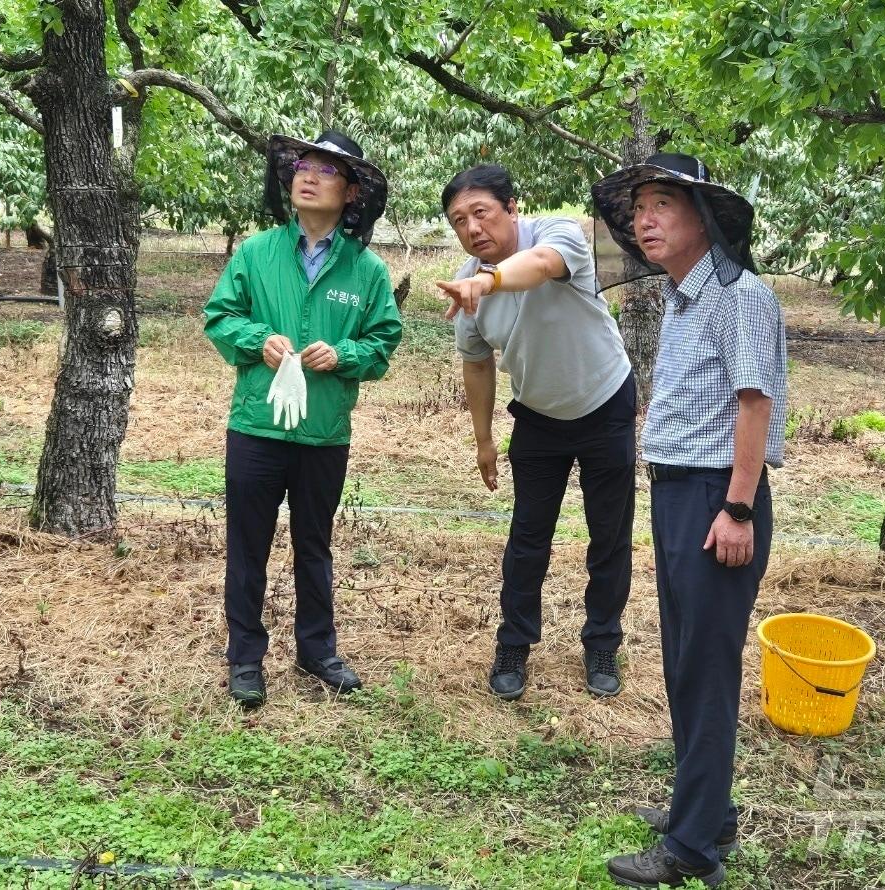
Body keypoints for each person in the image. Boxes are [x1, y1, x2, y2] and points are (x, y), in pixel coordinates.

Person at [592, 153, 787, 888]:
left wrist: (737, 508)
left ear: (701, 217)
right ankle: (706, 812)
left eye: (661, 205)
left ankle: (691, 849)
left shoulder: (738, 295)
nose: (644, 220)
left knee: (704, 670)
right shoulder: (682, 297)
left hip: (715, 499)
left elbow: (754, 403)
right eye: (638, 207)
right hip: (678, 492)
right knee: (684, 660)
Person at [203, 131, 402, 706]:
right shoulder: (257, 253)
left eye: (328, 170)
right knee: (248, 545)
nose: (309, 176)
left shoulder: (367, 271)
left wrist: (344, 355)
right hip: (256, 427)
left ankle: (317, 651)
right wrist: (257, 340)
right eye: (303, 166)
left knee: (314, 544)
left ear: (352, 193)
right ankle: (245, 658)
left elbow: (383, 342)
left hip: (324, 432)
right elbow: (220, 317)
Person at [436, 165, 636, 701]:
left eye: (481, 212)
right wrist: (483, 440)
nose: (472, 228)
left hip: (604, 400)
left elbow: (543, 266)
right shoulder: (466, 285)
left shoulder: (556, 234)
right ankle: (514, 645)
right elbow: (476, 363)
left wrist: (488, 281)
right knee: (528, 538)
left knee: (609, 535)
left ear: (512, 207)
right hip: (538, 416)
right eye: (459, 220)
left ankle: (602, 643)